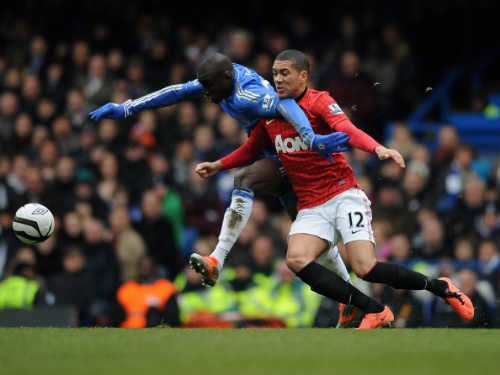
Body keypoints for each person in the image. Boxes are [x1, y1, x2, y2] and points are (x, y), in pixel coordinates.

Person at [195, 49, 475, 329]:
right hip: (310, 205)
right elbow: (251, 150)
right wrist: (218, 165)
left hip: (343, 195)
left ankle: (442, 287)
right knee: (296, 259)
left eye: (284, 73)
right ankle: (373, 309)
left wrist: (377, 147)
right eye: (274, 74)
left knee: (366, 268)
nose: (277, 80)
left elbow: (347, 129)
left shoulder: (319, 101)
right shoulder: (269, 112)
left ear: (303, 76)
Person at [89, 52, 355, 324]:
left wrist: (311, 138)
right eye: (202, 85)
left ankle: (217, 258)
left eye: (208, 86)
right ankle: (352, 298)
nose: (204, 92)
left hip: (292, 156)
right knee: (310, 236)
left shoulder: (246, 95)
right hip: (274, 155)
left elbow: (284, 104)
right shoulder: (220, 78)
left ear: (226, 78)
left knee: (244, 179)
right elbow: (177, 92)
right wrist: (127, 108)